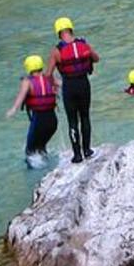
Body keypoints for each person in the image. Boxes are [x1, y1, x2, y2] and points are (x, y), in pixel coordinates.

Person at [45, 17, 100, 163]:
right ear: (71, 28)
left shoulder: (57, 51)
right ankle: (87, 150)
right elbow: (96, 58)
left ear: (58, 32)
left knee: (72, 121)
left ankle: (77, 155)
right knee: (85, 117)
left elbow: (48, 74)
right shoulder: (84, 44)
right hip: (84, 83)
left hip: (69, 86)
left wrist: (55, 84)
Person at [5, 54, 58, 164]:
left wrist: (13, 109)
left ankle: (39, 179)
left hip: (39, 121)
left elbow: (21, 95)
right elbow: (64, 84)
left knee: (30, 153)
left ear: (28, 67)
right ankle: (49, 170)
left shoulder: (27, 82)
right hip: (53, 122)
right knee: (41, 148)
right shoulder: (48, 78)